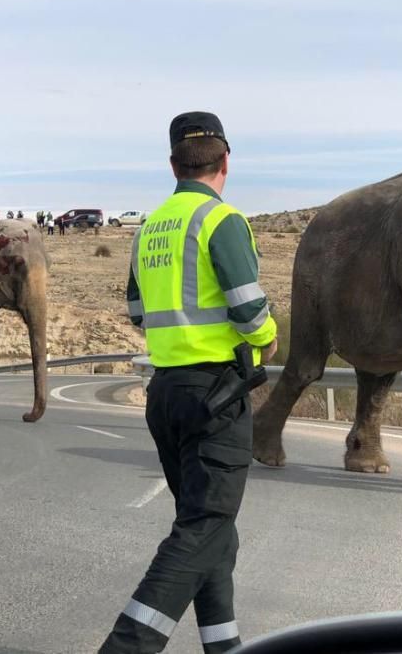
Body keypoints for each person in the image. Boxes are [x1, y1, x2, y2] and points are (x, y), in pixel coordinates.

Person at [100, 112, 277, 654]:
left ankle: (225, 648)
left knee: (212, 534)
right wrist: (268, 336)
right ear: (226, 161)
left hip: (166, 395)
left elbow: (136, 311)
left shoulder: (150, 227)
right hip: (216, 396)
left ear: (174, 164)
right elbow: (249, 310)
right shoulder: (221, 221)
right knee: (204, 528)